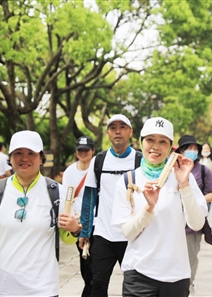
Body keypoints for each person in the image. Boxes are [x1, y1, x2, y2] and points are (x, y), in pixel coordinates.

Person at [0, 130, 80, 296]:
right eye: (18, 153)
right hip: (4, 288)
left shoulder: (56, 192)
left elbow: (67, 238)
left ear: (41, 158)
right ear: (10, 158)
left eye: (31, 153)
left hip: (44, 289)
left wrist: (74, 229)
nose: (24, 158)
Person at [111, 117, 208, 297]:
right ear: (141, 142)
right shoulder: (128, 181)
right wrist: (149, 208)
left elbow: (196, 224)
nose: (156, 146)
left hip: (176, 277)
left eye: (163, 141)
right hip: (138, 275)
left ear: (171, 147)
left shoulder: (183, 178)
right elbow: (128, 233)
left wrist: (184, 184)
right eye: (150, 140)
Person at [80, 114, 141, 297]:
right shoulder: (98, 161)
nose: (118, 131)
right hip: (103, 233)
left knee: (134, 285)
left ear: (130, 132)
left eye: (122, 127)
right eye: (113, 128)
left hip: (131, 235)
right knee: (97, 284)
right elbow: (89, 197)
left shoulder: (140, 160)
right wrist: (85, 231)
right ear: (107, 133)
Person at [176, 135, 212, 294]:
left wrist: (193, 201)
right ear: (181, 151)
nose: (192, 151)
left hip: (192, 224)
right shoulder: (172, 168)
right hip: (173, 221)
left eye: (195, 149)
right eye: (189, 148)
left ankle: (189, 284)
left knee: (191, 257)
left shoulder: (202, 169)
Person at [63, 136, 95, 297]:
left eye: (86, 150)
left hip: (96, 222)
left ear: (93, 151)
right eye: (80, 150)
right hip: (79, 225)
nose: (83, 153)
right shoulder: (70, 171)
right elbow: (67, 197)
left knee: (95, 269)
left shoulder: (97, 168)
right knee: (85, 266)